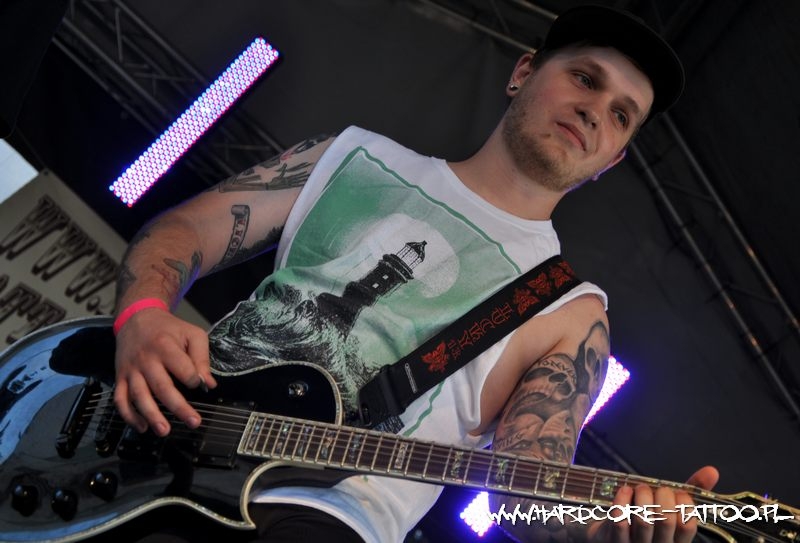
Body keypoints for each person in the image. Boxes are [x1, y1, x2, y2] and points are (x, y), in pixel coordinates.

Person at [110, 4, 718, 543]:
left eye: (621, 116)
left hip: (328, 518)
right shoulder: (351, 157)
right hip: (160, 440)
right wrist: (142, 315)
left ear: (612, 160)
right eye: (585, 78)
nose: (593, 112)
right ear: (523, 72)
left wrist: (602, 533)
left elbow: (523, 498)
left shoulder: (572, 312)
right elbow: (185, 231)